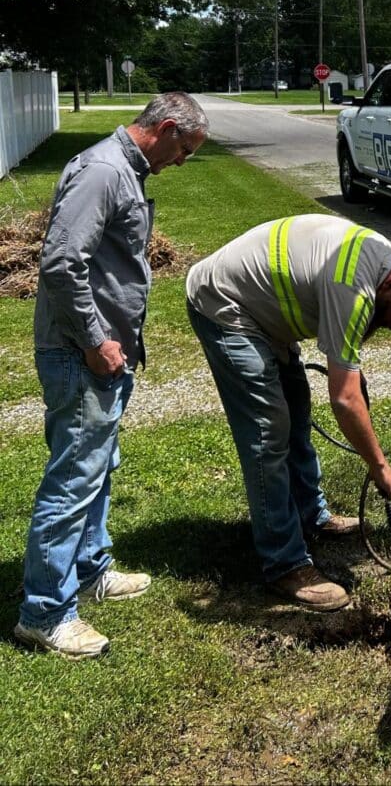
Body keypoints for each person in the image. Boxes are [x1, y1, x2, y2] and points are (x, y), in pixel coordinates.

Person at [15, 92, 209, 659]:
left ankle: (91, 569)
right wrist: (97, 338)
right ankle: (45, 613)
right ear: (167, 128)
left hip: (102, 354)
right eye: (186, 149)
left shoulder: (123, 168)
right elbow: (59, 262)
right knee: (74, 478)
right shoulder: (103, 170)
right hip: (81, 353)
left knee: (96, 468)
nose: (183, 161)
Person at [185, 214, 391, 612]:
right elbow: (344, 399)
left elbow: (349, 364)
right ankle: (285, 564)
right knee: (269, 433)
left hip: (265, 316)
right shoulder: (353, 287)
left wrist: (357, 385)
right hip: (226, 305)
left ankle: (310, 515)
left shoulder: (379, 261)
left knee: (296, 411)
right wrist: (379, 465)